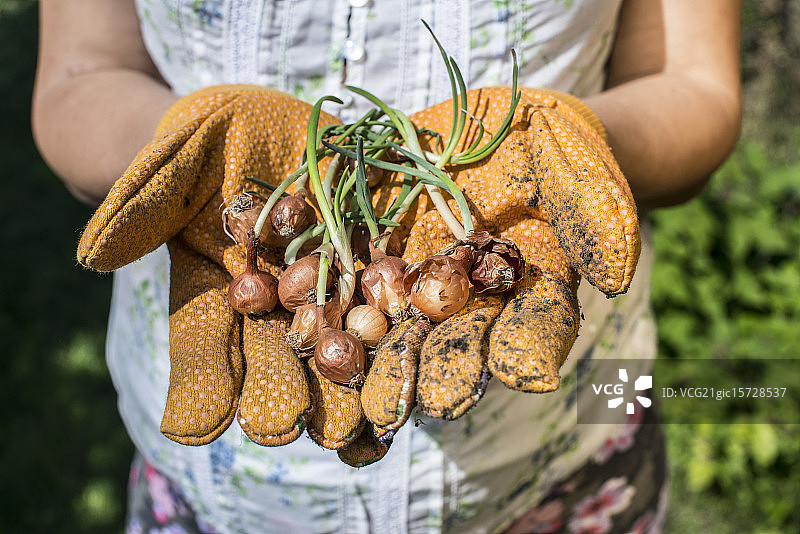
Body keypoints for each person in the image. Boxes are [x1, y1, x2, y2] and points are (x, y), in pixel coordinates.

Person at [32, 1, 742, 533]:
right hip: (220, 486)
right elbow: (79, 75)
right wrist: (194, 155)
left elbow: (698, 89)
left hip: (578, 430)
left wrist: (561, 152)